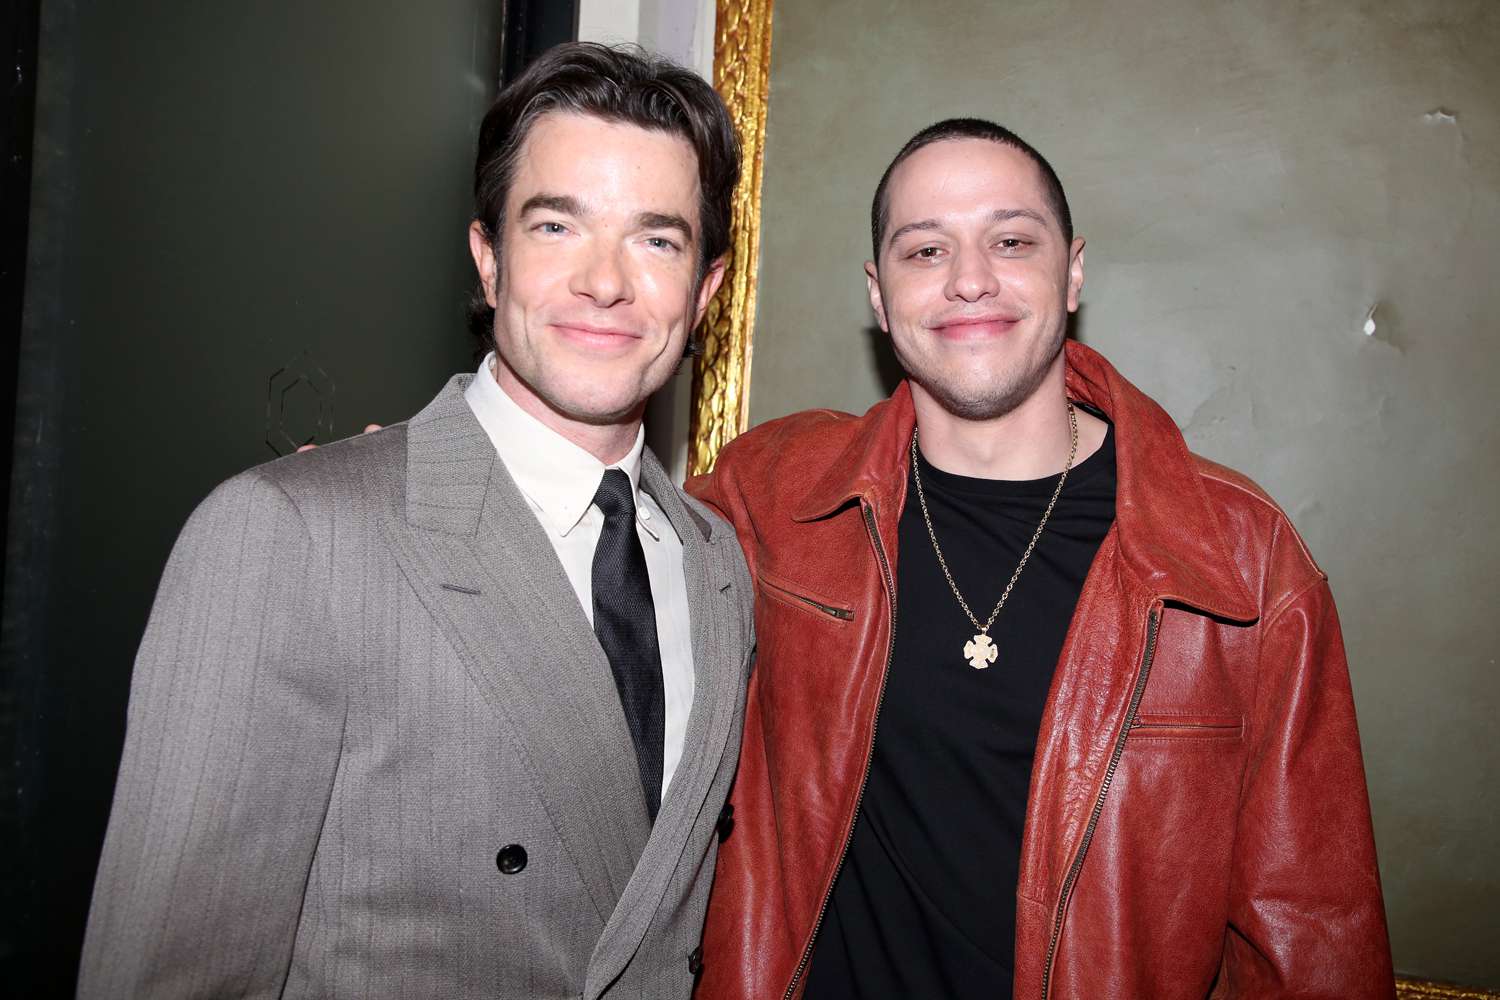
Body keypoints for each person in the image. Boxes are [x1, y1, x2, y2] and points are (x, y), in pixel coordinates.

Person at [78, 43, 752, 999]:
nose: (606, 282)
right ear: (488, 259)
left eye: (657, 239)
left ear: (705, 292)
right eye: (557, 225)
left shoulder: (715, 566)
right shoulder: (291, 536)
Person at [690, 119, 1394, 998]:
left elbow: (1310, 929)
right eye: (925, 250)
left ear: (1073, 272)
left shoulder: (1244, 562)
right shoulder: (773, 493)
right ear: (879, 295)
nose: (970, 278)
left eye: (1012, 240)